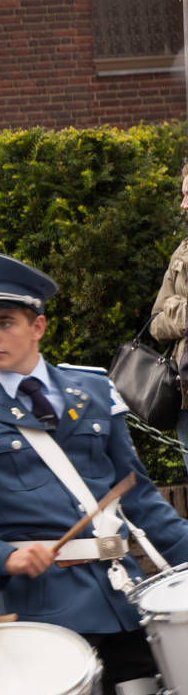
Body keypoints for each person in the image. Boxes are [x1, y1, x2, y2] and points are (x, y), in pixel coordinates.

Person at [0, 250, 188, 695]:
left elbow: (141, 498)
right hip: (39, 615)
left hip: (121, 599)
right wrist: (1, 557)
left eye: (4, 322)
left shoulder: (92, 391)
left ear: (38, 326)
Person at [150, 161, 188, 466]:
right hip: (186, 397)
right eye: (183, 195)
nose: (183, 204)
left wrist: (176, 307)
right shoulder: (181, 254)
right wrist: (183, 315)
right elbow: (156, 323)